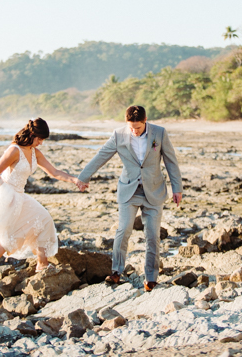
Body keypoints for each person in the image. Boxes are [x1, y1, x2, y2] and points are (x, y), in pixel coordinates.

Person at [0, 118, 86, 289]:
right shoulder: (14, 150)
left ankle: (42, 264)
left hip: (21, 196)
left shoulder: (34, 152)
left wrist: (75, 180)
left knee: (44, 219)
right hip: (7, 197)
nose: (41, 143)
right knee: (7, 240)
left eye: (43, 140)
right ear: (32, 134)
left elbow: (54, 172)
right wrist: (6, 195)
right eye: (40, 139)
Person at [77, 105, 182, 292]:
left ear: (145, 121)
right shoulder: (119, 135)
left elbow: (170, 160)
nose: (134, 131)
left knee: (152, 236)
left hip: (154, 191)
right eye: (131, 127)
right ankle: (116, 271)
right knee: (123, 229)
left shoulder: (159, 133)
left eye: (138, 128)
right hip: (129, 190)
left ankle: (151, 278)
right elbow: (102, 155)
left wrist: (177, 188)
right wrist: (84, 177)